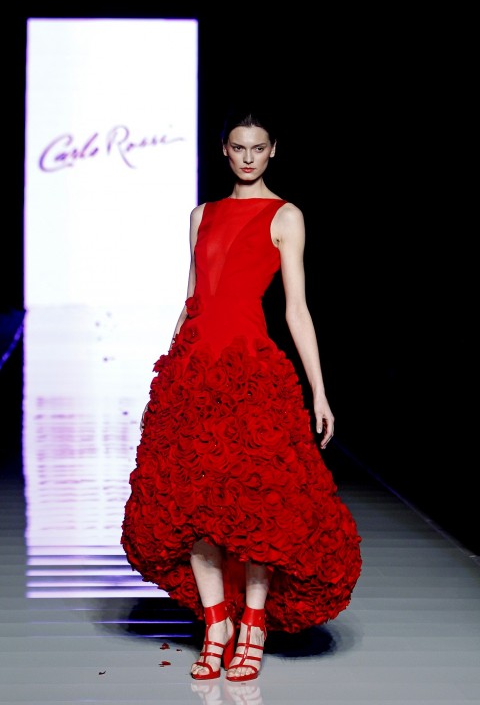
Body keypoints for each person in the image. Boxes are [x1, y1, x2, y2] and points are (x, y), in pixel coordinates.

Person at [121, 105, 362, 683]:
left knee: (255, 506)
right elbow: (192, 299)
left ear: (272, 150)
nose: (248, 157)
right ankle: (216, 626)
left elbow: (296, 309)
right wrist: (169, 371)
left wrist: (320, 392)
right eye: (238, 147)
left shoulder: (285, 216)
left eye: (258, 148)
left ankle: (252, 624)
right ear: (224, 150)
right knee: (195, 507)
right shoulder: (201, 214)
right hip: (195, 373)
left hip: (251, 373)